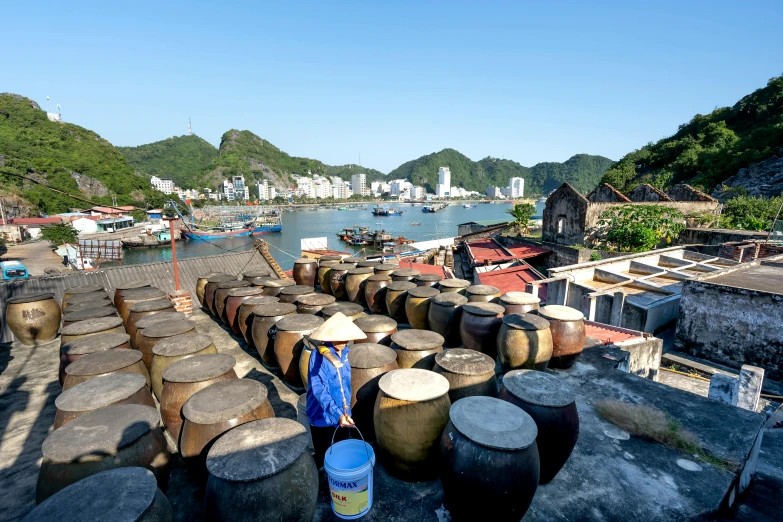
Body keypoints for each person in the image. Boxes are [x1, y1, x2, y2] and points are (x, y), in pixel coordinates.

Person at [305, 311, 367, 468]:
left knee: (342, 451)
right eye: (337, 337)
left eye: (345, 337)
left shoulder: (345, 354)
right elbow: (319, 389)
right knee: (324, 454)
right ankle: (323, 478)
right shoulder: (317, 356)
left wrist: (344, 413)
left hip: (343, 413)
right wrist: (336, 413)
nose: (342, 341)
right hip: (323, 415)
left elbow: (344, 386)